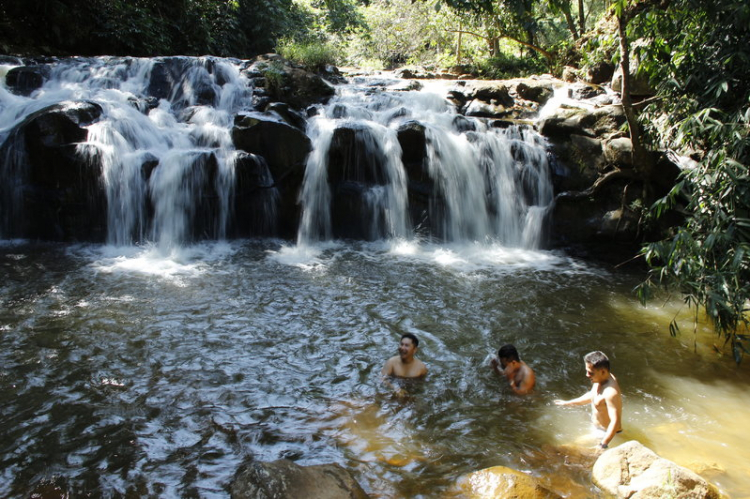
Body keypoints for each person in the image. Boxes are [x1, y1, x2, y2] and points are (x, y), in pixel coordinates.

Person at [554, 351, 622, 450]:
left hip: (606, 434)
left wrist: (603, 444)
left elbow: (615, 422)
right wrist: (568, 403)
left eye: (590, 372)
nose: (587, 375)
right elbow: (592, 395)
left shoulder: (610, 393)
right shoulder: (601, 379)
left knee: (571, 446)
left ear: (603, 371)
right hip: (599, 429)